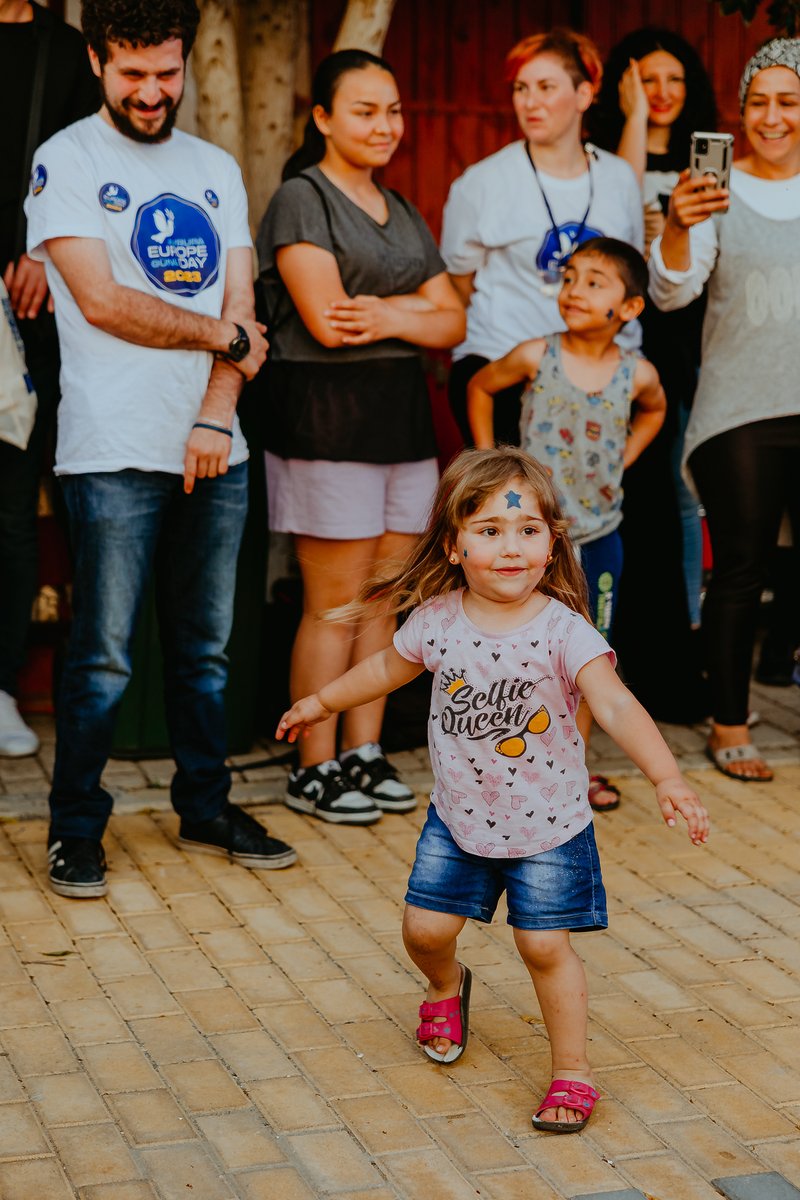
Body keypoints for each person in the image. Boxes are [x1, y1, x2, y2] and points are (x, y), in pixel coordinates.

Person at [276, 447, 708, 1132]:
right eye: (490, 531)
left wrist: (667, 775)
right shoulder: (438, 620)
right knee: (423, 931)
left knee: (542, 947)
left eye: (528, 531)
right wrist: (321, 702)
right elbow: (385, 669)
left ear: (552, 543)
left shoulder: (566, 631)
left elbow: (618, 705)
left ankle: (572, 1071)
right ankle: (446, 987)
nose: (511, 547)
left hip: (549, 826)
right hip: (459, 820)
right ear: (454, 545)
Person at [25, 0, 297, 898]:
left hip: (213, 443)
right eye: (133, 73)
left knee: (206, 648)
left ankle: (207, 806)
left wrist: (218, 413)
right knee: (102, 654)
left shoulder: (214, 167)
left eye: (167, 73)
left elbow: (242, 314)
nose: (153, 91)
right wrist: (222, 342)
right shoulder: (65, 160)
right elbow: (102, 302)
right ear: (100, 62)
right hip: (109, 448)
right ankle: (74, 828)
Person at [257, 49, 465, 826]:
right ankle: (312, 764)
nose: (386, 126)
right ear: (323, 118)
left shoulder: (400, 207)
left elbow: (454, 319)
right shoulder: (301, 200)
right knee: (333, 605)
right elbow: (326, 322)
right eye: (366, 111)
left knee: (388, 600)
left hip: (400, 419)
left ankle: (362, 753)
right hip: (326, 415)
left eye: (394, 111)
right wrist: (409, 309)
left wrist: (386, 313)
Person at [467, 238, 666, 810]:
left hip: (600, 537)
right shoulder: (536, 355)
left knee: (588, 656)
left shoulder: (639, 374)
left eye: (594, 282)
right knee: (518, 652)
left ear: (628, 308)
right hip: (532, 542)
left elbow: (656, 411)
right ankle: (500, 766)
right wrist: (490, 469)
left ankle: (566, 769)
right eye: (571, 277)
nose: (575, 290)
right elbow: (480, 386)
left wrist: (624, 456)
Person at [649, 37, 800, 781]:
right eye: (759, 102)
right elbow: (672, 292)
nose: (772, 117)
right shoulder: (715, 192)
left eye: (789, 101)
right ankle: (731, 723)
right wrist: (677, 224)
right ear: (740, 112)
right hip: (740, 407)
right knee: (741, 566)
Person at [589, 28, 718, 724]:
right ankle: (625, 654)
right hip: (631, 339)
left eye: (673, 80)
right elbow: (621, 226)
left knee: (677, 495)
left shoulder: (709, 159)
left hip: (695, 340)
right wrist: (634, 119)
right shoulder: (609, 161)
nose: (662, 93)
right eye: (646, 81)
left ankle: (676, 651)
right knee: (633, 496)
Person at [441, 28, 643, 447]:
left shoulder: (619, 179)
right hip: (503, 367)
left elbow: (629, 274)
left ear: (584, 96)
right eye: (520, 88)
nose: (529, 102)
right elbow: (456, 287)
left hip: (601, 371)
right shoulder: (481, 183)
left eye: (546, 87)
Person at [0, 0, 98, 756]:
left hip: (33, 305)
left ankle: (3, 686)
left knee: (16, 492)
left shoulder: (63, 51)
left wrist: (42, 248)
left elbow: (85, 166)